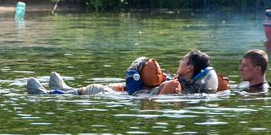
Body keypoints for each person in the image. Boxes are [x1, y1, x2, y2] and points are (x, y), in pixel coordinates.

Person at [27, 57, 168, 96]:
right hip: (118, 93)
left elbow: (132, 85)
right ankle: (64, 89)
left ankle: (48, 93)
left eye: (184, 61)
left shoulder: (140, 91)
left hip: (107, 94)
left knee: (94, 89)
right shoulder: (158, 86)